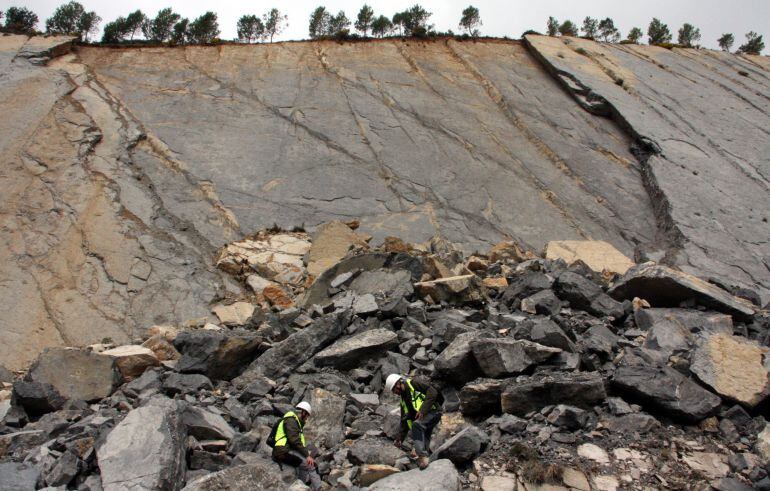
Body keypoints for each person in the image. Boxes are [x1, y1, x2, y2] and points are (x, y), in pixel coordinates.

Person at [385, 373, 443, 469]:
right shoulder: (403, 401)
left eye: (394, 389)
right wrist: (400, 438)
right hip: (425, 417)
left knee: (417, 425)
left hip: (434, 411)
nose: (394, 392)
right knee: (423, 433)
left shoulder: (414, 383)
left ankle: (422, 457)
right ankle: (428, 460)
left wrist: (423, 410)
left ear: (398, 383)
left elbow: (432, 392)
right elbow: (404, 420)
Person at [272, 401, 322, 491]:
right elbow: (294, 440)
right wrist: (307, 455)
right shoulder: (291, 420)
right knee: (310, 465)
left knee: (304, 466)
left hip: (284, 449)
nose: (306, 419)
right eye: (307, 415)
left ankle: (301, 487)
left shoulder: (294, 421)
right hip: (283, 451)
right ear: (303, 412)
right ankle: (318, 489)